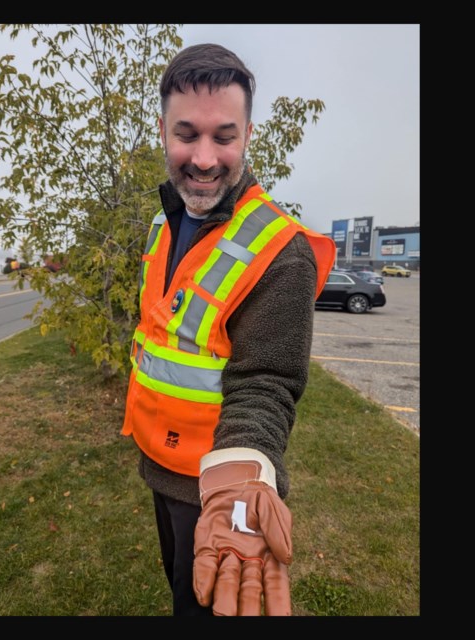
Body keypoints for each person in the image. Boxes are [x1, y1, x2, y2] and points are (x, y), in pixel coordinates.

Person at [121, 43, 335, 616]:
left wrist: (239, 485)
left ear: (248, 135)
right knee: (176, 589)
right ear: (162, 129)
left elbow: (265, 382)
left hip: (215, 494)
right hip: (159, 468)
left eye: (224, 135)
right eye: (187, 133)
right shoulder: (163, 223)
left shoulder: (281, 250)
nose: (205, 157)